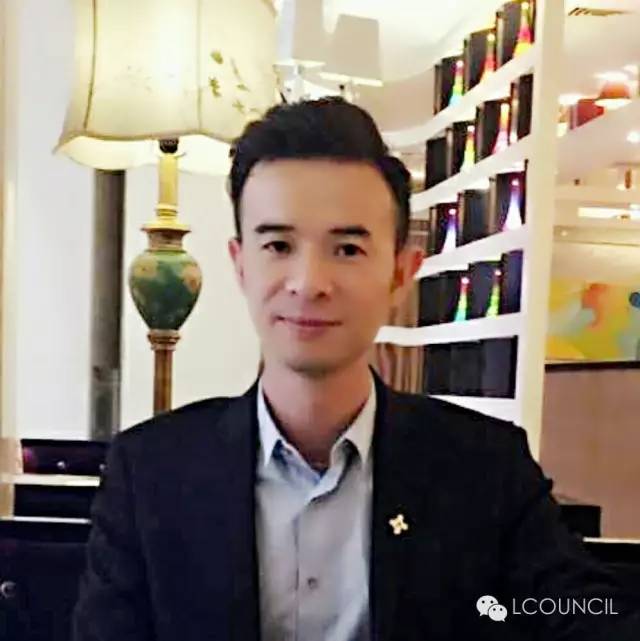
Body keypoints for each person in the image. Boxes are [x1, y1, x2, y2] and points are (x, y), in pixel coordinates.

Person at [72, 97, 640, 641]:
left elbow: (577, 610)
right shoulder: (150, 473)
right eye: (278, 246)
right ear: (240, 265)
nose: (308, 283)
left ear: (401, 273)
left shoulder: (484, 468)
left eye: (347, 249)